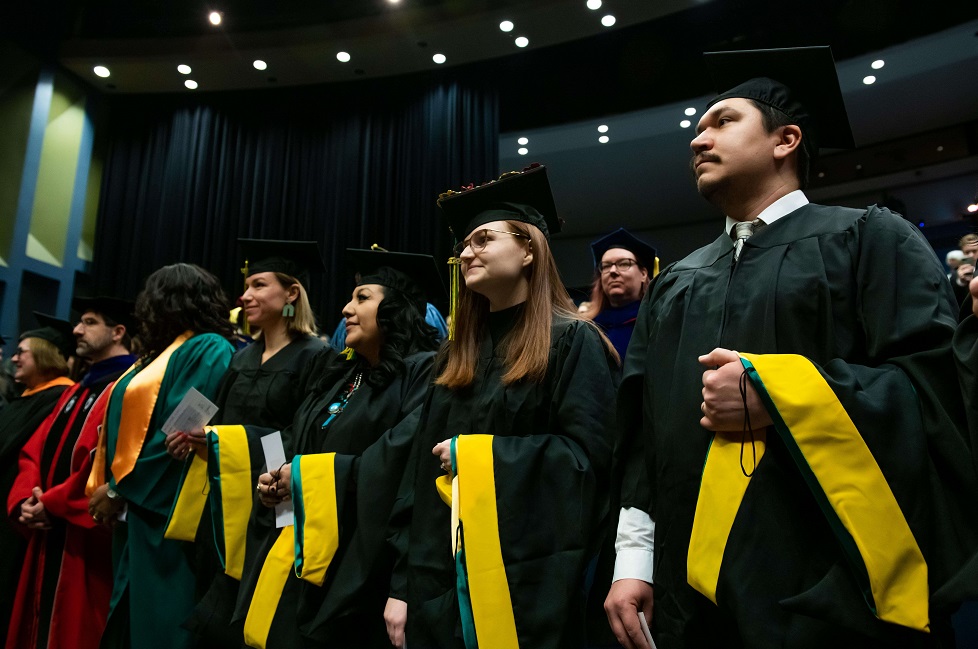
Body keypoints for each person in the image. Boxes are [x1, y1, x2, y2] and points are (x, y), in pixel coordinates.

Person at [605, 46, 978, 648]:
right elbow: (643, 438)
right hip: (695, 593)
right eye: (697, 129)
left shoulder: (868, 239)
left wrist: (783, 397)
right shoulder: (677, 282)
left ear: (786, 140)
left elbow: (936, 395)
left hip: (833, 588)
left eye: (722, 121)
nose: (698, 140)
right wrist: (632, 562)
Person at [386, 164, 620, 649]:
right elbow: (415, 479)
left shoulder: (572, 341)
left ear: (529, 248)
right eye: (464, 244)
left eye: (484, 239)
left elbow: (589, 464)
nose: (467, 252)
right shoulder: (454, 357)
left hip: (529, 584)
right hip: (439, 582)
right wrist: (401, 587)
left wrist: (481, 458)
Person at [223, 249, 442, 649]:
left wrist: (306, 477)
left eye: (362, 298)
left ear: (397, 308)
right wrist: (274, 475)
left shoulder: (425, 371)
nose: (346, 309)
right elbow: (293, 435)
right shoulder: (343, 373)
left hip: (362, 564)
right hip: (304, 543)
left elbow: (398, 459)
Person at [165, 239, 330, 647]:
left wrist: (222, 440)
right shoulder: (240, 357)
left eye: (258, 285)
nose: (245, 295)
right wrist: (190, 437)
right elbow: (213, 419)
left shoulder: (315, 356)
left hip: (273, 505)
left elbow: (305, 433)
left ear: (291, 293)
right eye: (246, 286)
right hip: (221, 501)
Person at [86, 264, 235, 649]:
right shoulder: (155, 357)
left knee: (162, 626)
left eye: (151, 299)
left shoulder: (209, 349)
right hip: (140, 516)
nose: (144, 310)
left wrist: (119, 490)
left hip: (168, 518)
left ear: (171, 302)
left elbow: (182, 432)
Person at [5, 297, 136, 649]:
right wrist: (25, 499)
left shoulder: (128, 387)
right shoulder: (78, 389)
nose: (77, 329)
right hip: (48, 529)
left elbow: (109, 464)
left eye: (89, 322)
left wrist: (50, 503)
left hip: (84, 540)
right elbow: (33, 451)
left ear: (118, 332)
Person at [0, 317, 75, 642]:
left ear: (45, 355)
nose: (14, 358)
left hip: (21, 517)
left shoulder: (61, 397)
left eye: (23, 352)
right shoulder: (27, 396)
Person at [582, 228, 658, 361]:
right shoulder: (587, 327)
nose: (612, 271)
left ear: (643, 274)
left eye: (623, 264)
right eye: (605, 266)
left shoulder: (656, 322)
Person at [951, 234, 978, 308]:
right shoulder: (955, 275)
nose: (971, 255)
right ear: (962, 253)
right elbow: (952, 301)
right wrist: (960, 282)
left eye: (974, 251)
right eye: (967, 252)